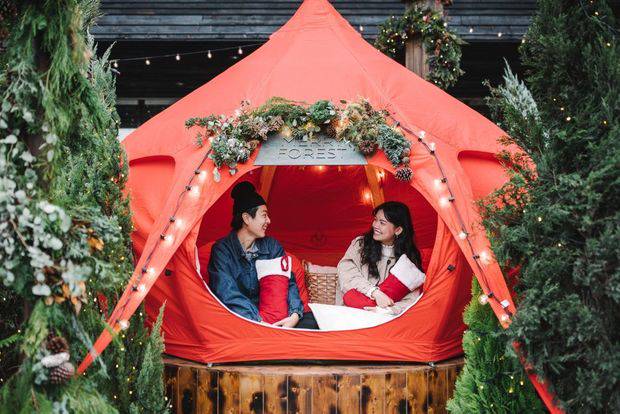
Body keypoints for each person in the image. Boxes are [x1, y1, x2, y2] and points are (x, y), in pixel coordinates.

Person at [208, 181, 318, 329]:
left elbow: (289, 283)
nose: (269, 221)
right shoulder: (222, 250)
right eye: (264, 215)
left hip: (275, 316)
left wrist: (294, 315)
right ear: (247, 218)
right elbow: (226, 292)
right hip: (243, 319)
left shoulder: (271, 247)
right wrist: (258, 321)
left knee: (315, 321)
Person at [337, 201, 425, 315]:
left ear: (398, 230)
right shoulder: (360, 245)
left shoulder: (409, 259)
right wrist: (374, 292)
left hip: (385, 318)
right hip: (351, 312)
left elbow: (411, 300)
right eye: (375, 220)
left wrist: (388, 310)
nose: (375, 225)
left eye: (382, 223)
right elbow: (346, 274)